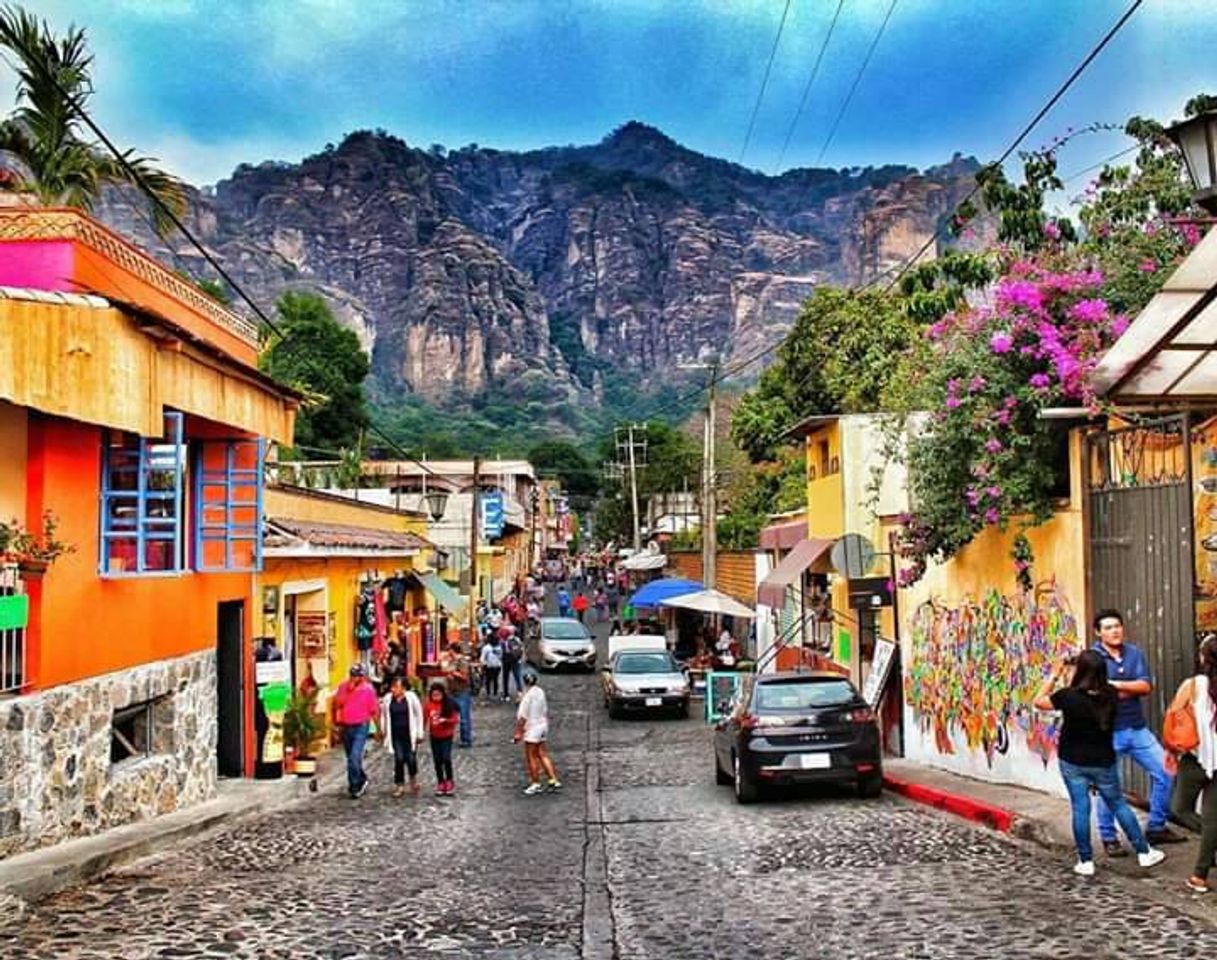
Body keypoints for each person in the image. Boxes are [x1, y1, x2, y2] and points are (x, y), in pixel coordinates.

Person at [1034, 650, 1165, 875]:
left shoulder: (1068, 696)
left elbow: (1038, 702)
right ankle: (1144, 852)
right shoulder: (1111, 694)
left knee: (1080, 808)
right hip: (1103, 760)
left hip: (1072, 760)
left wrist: (1054, 674)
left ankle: (1086, 861)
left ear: (1080, 670)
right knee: (1118, 804)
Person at [1090, 609, 1185, 852]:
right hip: (1107, 732)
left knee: (1166, 772)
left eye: (1117, 626)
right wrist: (1123, 690)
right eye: (1108, 627)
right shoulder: (1091, 658)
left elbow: (1145, 686)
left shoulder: (1134, 653)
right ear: (1098, 632)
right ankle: (1109, 837)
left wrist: (1115, 686)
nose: (1115, 631)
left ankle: (1156, 828)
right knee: (1108, 784)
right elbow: (1094, 694)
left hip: (1138, 728)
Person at [1168, 635, 1217, 892]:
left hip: (1195, 757)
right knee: (1212, 821)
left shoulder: (1193, 685)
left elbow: (1174, 716)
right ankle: (1202, 869)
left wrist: (1171, 749)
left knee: (1179, 808)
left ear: (1202, 658)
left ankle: (1200, 874)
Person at [332, 663, 380, 799]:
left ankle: (354, 786)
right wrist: (348, 691)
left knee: (354, 757)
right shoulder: (343, 687)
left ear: (362, 677)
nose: (354, 678)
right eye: (352, 675)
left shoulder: (368, 690)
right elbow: (337, 705)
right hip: (346, 726)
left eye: (357, 676)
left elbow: (374, 710)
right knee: (351, 758)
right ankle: (362, 778)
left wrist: (378, 729)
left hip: (361, 725)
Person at [514, 671, 562, 795]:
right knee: (542, 753)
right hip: (542, 724)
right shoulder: (540, 692)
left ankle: (535, 783)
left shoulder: (527, 696)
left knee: (531, 756)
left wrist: (518, 733)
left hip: (532, 727)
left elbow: (523, 717)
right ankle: (553, 779)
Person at [380, 676, 424, 797]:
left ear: (403, 688)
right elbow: (384, 715)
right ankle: (399, 785)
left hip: (409, 733)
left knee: (411, 759)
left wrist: (420, 733)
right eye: (392, 687)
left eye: (396, 687)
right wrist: (383, 730)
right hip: (396, 734)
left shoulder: (411, 698)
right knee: (399, 759)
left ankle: (413, 779)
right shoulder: (388, 699)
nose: (393, 689)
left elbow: (418, 715)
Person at [423, 681, 459, 796]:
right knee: (437, 760)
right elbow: (425, 718)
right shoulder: (428, 705)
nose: (436, 698)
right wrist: (422, 731)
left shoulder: (448, 704)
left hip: (447, 735)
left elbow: (455, 720)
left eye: (438, 695)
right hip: (434, 736)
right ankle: (440, 781)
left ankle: (449, 780)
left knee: (446, 758)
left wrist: (445, 720)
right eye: (434, 695)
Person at [440, 641, 474, 748]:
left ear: (452, 650)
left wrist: (452, 673)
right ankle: (446, 737)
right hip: (451, 691)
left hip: (461, 692)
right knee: (449, 715)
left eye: (449, 650)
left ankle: (466, 739)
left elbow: (464, 676)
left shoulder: (462, 661)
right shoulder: (452, 660)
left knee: (464, 718)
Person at [501, 625, 525, 702]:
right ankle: (520, 692)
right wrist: (520, 658)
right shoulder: (517, 639)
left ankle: (506, 694)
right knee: (517, 676)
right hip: (515, 660)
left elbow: (503, 651)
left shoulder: (504, 641)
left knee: (505, 678)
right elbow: (521, 648)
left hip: (506, 661)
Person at [481, 633, 503, 701]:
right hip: (497, 666)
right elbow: (501, 656)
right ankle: (495, 693)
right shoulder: (499, 647)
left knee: (488, 680)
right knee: (495, 679)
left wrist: (483, 664)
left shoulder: (486, 648)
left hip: (489, 666)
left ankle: (488, 693)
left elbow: (482, 658)